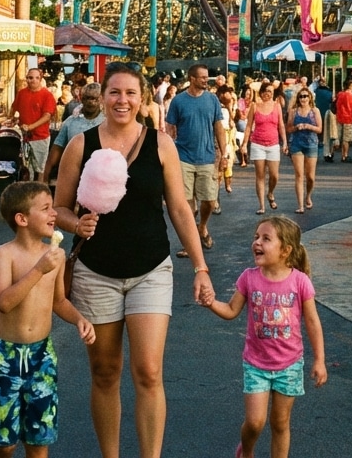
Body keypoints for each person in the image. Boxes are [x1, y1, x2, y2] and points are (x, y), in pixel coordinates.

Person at [53, 62, 215, 458]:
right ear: (102, 97)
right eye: (114, 93)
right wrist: (78, 225)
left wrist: (200, 267)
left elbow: (178, 208)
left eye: (130, 93)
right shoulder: (82, 145)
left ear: (143, 99)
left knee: (149, 372)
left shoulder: (161, 144)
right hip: (96, 270)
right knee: (105, 373)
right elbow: (57, 208)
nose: (122, 100)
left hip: (151, 269)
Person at [0, 181, 95, 458]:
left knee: (38, 438)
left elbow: (59, 301)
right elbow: (5, 303)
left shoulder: (54, 256)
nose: (54, 214)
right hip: (5, 356)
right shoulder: (5, 254)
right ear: (22, 219)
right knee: (4, 443)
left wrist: (80, 318)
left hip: (41, 355)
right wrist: (38, 269)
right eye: (46, 209)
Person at [205, 216, 327, 458]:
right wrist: (210, 303)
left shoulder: (300, 282)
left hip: (290, 365)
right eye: (256, 237)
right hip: (256, 365)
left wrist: (320, 360)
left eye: (266, 239)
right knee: (255, 422)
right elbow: (231, 311)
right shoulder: (249, 278)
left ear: (286, 250)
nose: (257, 243)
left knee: (280, 423)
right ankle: (246, 451)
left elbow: (312, 322)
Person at [165, 64, 227, 253]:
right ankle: (188, 244)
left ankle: (202, 226)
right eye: (202, 77)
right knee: (187, 206)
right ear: (192, 78)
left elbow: (219, 127)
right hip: (183, 157)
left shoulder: (212, 100)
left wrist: (224, 154)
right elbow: (169, 126)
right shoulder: (179, 101)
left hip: (207, 157)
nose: (205, 81)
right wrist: (171, 148)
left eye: (207, 77)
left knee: (209, 200)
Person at [42, 84, 103, 187]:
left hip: (100, 177)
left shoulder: (108, 122)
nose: (90, 102)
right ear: (81, 99)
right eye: (87, 98)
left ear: (101, 99)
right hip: (73, 176)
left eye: (94, 98)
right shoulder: (70, 122)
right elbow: (57, 148)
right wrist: (45, 178)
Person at [243, 82, 288, 214]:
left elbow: (281, 125)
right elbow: (248, 126)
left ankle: (270, 193)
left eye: (270, 91)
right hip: (257, 144)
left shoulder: (277, 106)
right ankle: (262, 205)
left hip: (273, 144)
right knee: (260, 176)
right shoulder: (255, 106)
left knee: (274, 175)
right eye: (265, 91)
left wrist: (284, 142)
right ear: (261, 93)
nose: (268, 94)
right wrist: (245, 144)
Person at [9, 69, 57, 179]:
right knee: (25, 168)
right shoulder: (22, 93)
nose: (33, 81)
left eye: (36, 78)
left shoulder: (47, 95)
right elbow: (14, 110)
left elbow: (47, 116)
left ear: (40, 79)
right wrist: (13, 120)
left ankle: (39, 192)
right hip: (23, 136)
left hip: (40, 136)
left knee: (39, 169)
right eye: (30, 78)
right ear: (27, 78)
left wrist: (30, 127)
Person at [287, 86, 321, 213]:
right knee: (299, 175)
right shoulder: (293, 111)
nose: (303, 99)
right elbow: (288, 128)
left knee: (310, 176)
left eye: (305, 96)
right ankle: (300, 205)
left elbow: (319, 129)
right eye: (301, 96)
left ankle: (308, 195)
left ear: (310, 97)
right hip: (297, 144)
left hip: (311, 144)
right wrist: (296, 127)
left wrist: (308, 126)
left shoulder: (315, 111)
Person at [333, 79, 352, 162]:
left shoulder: (340, 94)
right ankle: (345, 155)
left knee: (337, 137)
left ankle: (330, 153)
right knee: (346, 139)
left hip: (339, 117)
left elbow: (336, 104)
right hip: (348, 119)